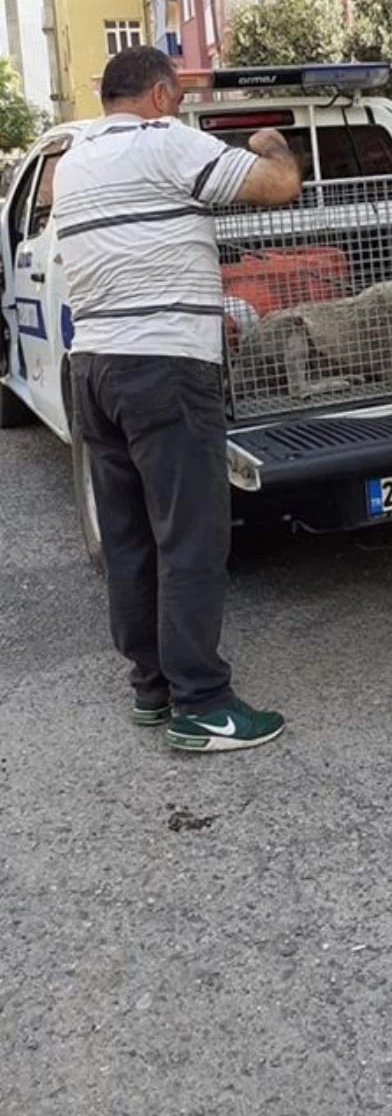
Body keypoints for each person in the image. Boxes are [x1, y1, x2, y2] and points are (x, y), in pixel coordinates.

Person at [52, 46, 302, 751]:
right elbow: (279, 187)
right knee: (190, 535)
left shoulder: (75, 158)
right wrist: (271, 141)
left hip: (95, 367)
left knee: (130, 536)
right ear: (160, 95)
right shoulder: (164, 141)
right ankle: (204, 705)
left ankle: (152, 687)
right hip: (163, 364)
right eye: (180, 99)